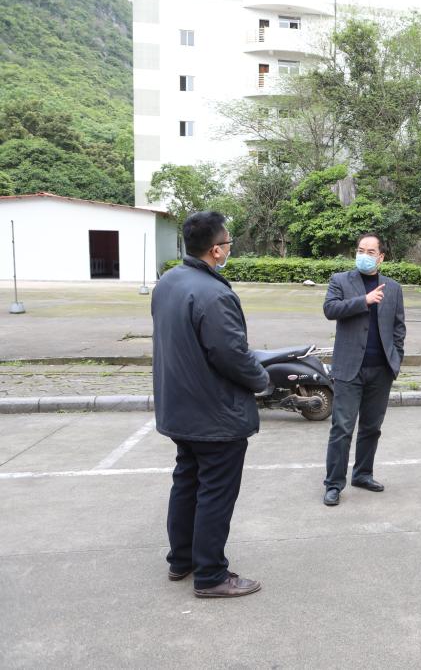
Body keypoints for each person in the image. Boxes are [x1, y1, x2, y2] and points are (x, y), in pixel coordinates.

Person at [152, 211, 270, 599]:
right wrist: (262, 380)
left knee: (187, 482)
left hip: (180, 408)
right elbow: (231, 354)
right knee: (215, 493)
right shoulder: (214, 294)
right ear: (216, 250)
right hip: (214, 414)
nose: (230, 248)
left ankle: (181, 559)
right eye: (229, 243)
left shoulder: (168, 281)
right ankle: (210, 574)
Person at [322, 233, 406, 506]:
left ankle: (363, 474)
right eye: (360, 250)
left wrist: (396, 359)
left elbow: (398, 327)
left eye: (371, 252)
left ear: (381, 257)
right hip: (349, 369)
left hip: (380, 370)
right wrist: (364, 300)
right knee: (342, 429)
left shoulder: (393, 288)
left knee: (371, 427)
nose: (364, 255)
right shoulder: (340, 281)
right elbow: (330, 309)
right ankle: (334, 484)